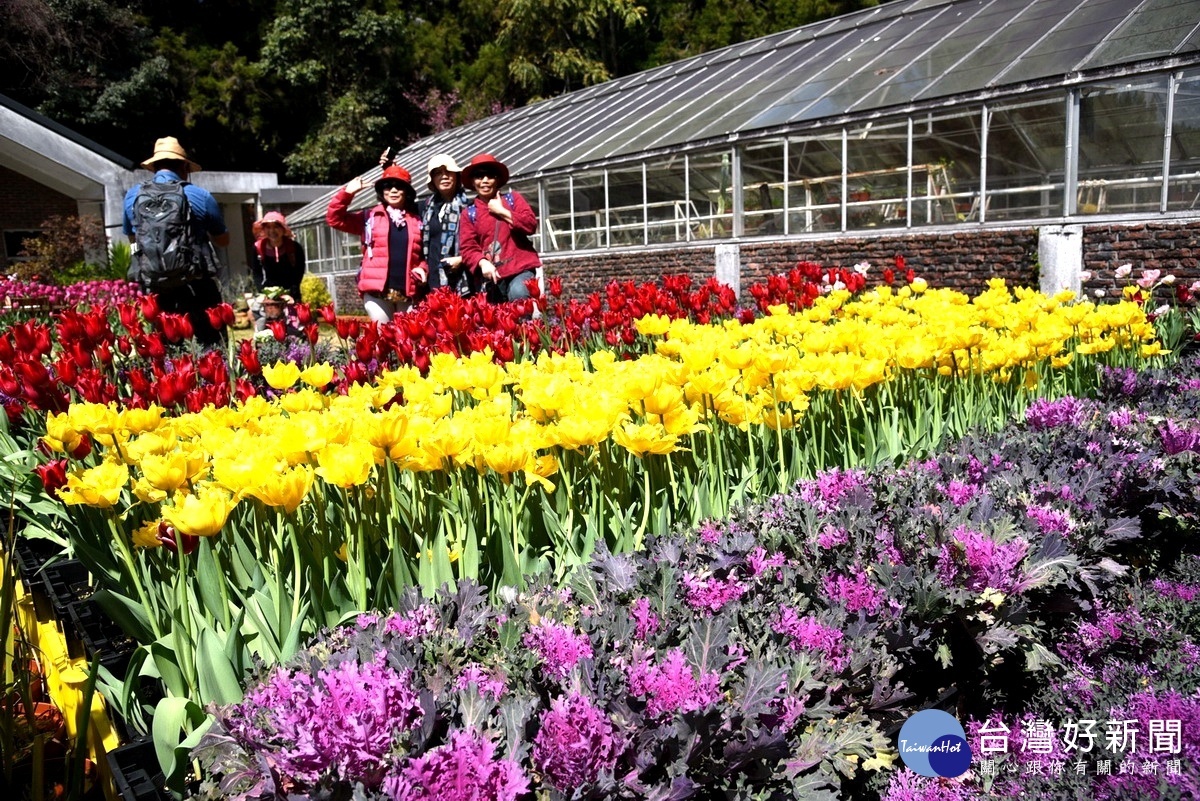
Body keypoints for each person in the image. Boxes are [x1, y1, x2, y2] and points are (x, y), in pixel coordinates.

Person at [123, 136, 229, 345]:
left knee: (169, 353)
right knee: (211, 349)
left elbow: (132, 238)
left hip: (158, 291)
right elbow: (223, 240)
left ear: (153, 167)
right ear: (184, 167)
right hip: (198, 287)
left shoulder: (132, 197)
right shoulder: (200, 195)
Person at [325, 165, 426, 323]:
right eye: (388, 186)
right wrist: (347, 193)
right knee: (383, 337)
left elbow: (422, 255)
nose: (393, 190)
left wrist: (423, 268)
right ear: (381, 191)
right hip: (376, 292)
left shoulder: (416, 220)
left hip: (408, 292)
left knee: (408, 342)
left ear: (406, 191)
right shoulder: (369, 217)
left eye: (399, 186)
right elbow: (334, 219)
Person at [458, 153, 541, 304]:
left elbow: (530, 225)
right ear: (472, 181)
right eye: (479, 177)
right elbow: (467, 247)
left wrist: (502, 211)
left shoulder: (513, 199)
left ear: (497, 179)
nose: (484, 181)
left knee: (519, 295)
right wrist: (482, 262)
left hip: (520, 268)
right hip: (492, 276)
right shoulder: (468, 213)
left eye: (489, 176)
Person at [418, 153, 476, 298]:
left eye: (448, 172)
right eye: (438, 173)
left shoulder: (470, 207)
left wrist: (462, 259)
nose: (444, 176)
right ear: (432, 180)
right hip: (433, 279)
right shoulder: (425, 208)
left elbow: (480, 242)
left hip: (464, 280)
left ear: (457, 177)